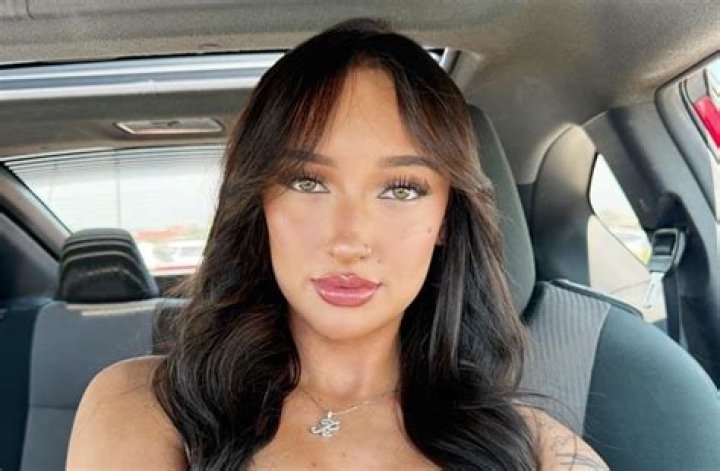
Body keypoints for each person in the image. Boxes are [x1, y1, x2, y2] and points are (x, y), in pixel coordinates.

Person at [67, 18, 608, 470]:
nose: (349, 240)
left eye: (401, 189)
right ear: (260, 204)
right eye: (308, 183)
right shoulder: (144, 406)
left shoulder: (538, 449)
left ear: (446, 219)